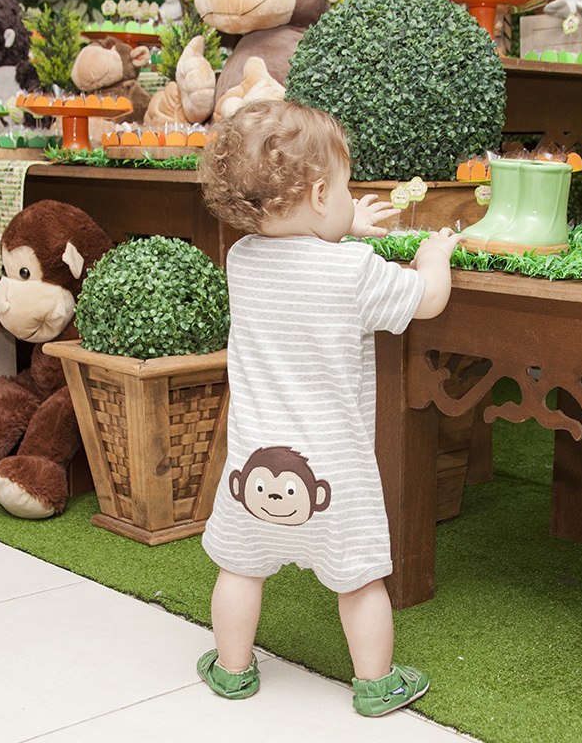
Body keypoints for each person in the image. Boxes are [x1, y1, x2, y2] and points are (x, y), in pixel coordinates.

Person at [196, 99, 462, 717]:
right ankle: (377, 684)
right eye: (343, 189)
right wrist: (434, 259)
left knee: (239, 568)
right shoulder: (355, 272)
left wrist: (343, 225)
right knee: (360, 580)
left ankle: (232, 671)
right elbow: (425, 300)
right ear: (319, 195)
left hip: (252, 470)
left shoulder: (241, 260)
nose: (347, 199)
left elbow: (297, 262)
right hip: (335, 476)